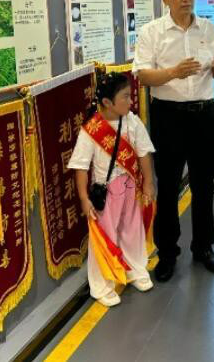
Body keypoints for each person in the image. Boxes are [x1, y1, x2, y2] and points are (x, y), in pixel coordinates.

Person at [133, 0, 214, 282]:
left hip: (204, 114)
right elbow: (143, 76)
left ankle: (204, 247)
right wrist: (174, 72)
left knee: (204, 185)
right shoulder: (152, 32)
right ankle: (167, 253)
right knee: (169, 186)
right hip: (168, 116)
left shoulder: (209, 28)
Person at [70, 73, 156, 307]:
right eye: (125, 97)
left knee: (132, 229)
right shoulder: (92, 129)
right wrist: (84, 198)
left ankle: (135, 269)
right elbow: (80, 167)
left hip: (131, 187)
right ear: (108, 102)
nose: (131, 101)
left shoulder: (132, 121)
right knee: (105, 236)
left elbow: (144, 153)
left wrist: (148, 182)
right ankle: (102, 285)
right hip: (106, 192)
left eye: (130, 95)